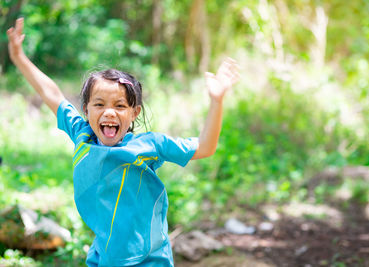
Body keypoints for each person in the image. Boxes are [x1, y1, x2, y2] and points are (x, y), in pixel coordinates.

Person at [7, 18, 240, 266]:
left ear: (134, 113)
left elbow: (206, 147)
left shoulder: (150, 145)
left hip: (150, 260)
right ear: (86, 110)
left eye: (120, 106)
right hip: (104, 258)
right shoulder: (81, 134)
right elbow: (51, 93)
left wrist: (217, 100)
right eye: (99, 104)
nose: (109, 112)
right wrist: (19, 57)